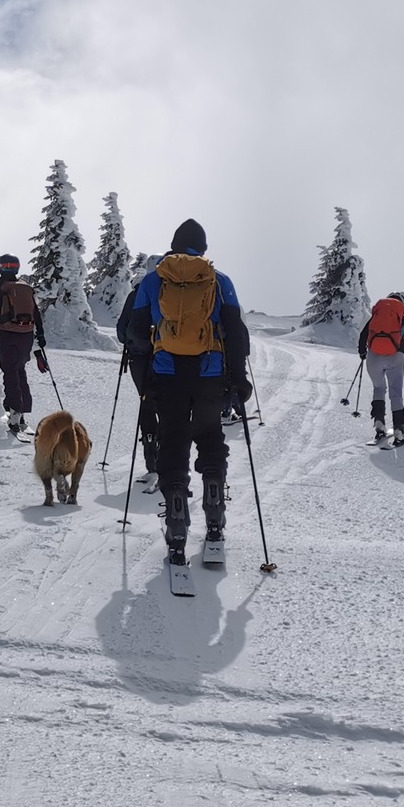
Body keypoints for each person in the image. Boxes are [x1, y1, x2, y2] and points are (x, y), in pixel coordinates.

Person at [125, 220, 251, 566]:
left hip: (167, 374)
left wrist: (151, 361)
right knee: (210, 437)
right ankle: (214, 508)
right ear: (203, 248)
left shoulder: (154, 279)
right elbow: (237, 334)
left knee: (174, 439)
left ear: (174, 245)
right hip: (209, 374)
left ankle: (177, 515)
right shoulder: (219, 281)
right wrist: (239, 379)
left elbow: (134, 333)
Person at [0, 253, 46, 435]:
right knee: (20, 370)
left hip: (7, 335)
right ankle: (20, 414)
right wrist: (41, 336)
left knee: (10, 372)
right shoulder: (25, 287)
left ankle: (14, 413)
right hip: (26, 336)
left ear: (0, 267)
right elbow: (36, 314)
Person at [115, 254, 163, 490]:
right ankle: (167, 463)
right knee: (166, 406)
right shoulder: (172, 293)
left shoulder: (137, 293)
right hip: (165, 358)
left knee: (146, 404)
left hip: (138, 359)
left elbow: (122, 330)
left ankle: (152, 464)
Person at [358, 291, 404, 445]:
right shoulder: (402, 320)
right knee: (395, 393)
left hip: (373, 357)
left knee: (379, 389)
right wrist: (400, 340)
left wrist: (362, 352)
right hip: (395, 357)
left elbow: (363, 336)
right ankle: (399, 430)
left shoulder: (375, 319)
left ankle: (379, 424)